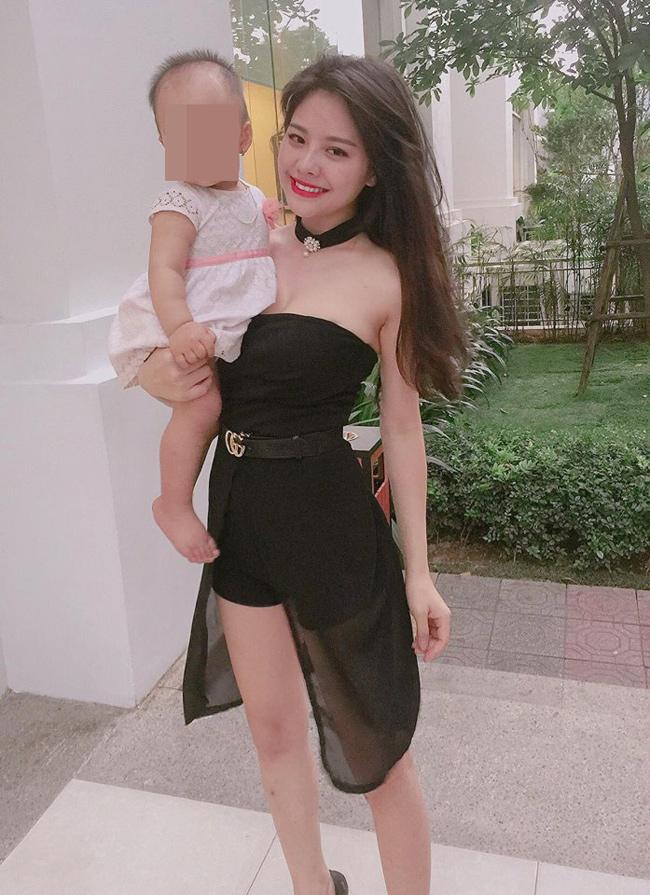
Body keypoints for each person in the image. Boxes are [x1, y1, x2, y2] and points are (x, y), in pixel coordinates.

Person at [138, 52, 470, 895]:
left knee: (377, 747)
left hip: (331, 529)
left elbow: (403, 428)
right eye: (297, 138)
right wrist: (152, 372)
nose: (307, 163)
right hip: (240, 520)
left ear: (375, 166)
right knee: (275, 733)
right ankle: (311, 886)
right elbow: (160, 340)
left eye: (337, 149)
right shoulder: (240, 242)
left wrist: (421, 572)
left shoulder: (385, 276)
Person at [108, 50, 277, 563]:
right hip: (189, 318)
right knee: (201, 404)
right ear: (165, 142)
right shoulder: (179, 202)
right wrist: (179, 327)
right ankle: (174, 503)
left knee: (225, 401)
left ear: (243, 137)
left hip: (227, 322)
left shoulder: (253, 198)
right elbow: (164, 270)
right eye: (181, 135)